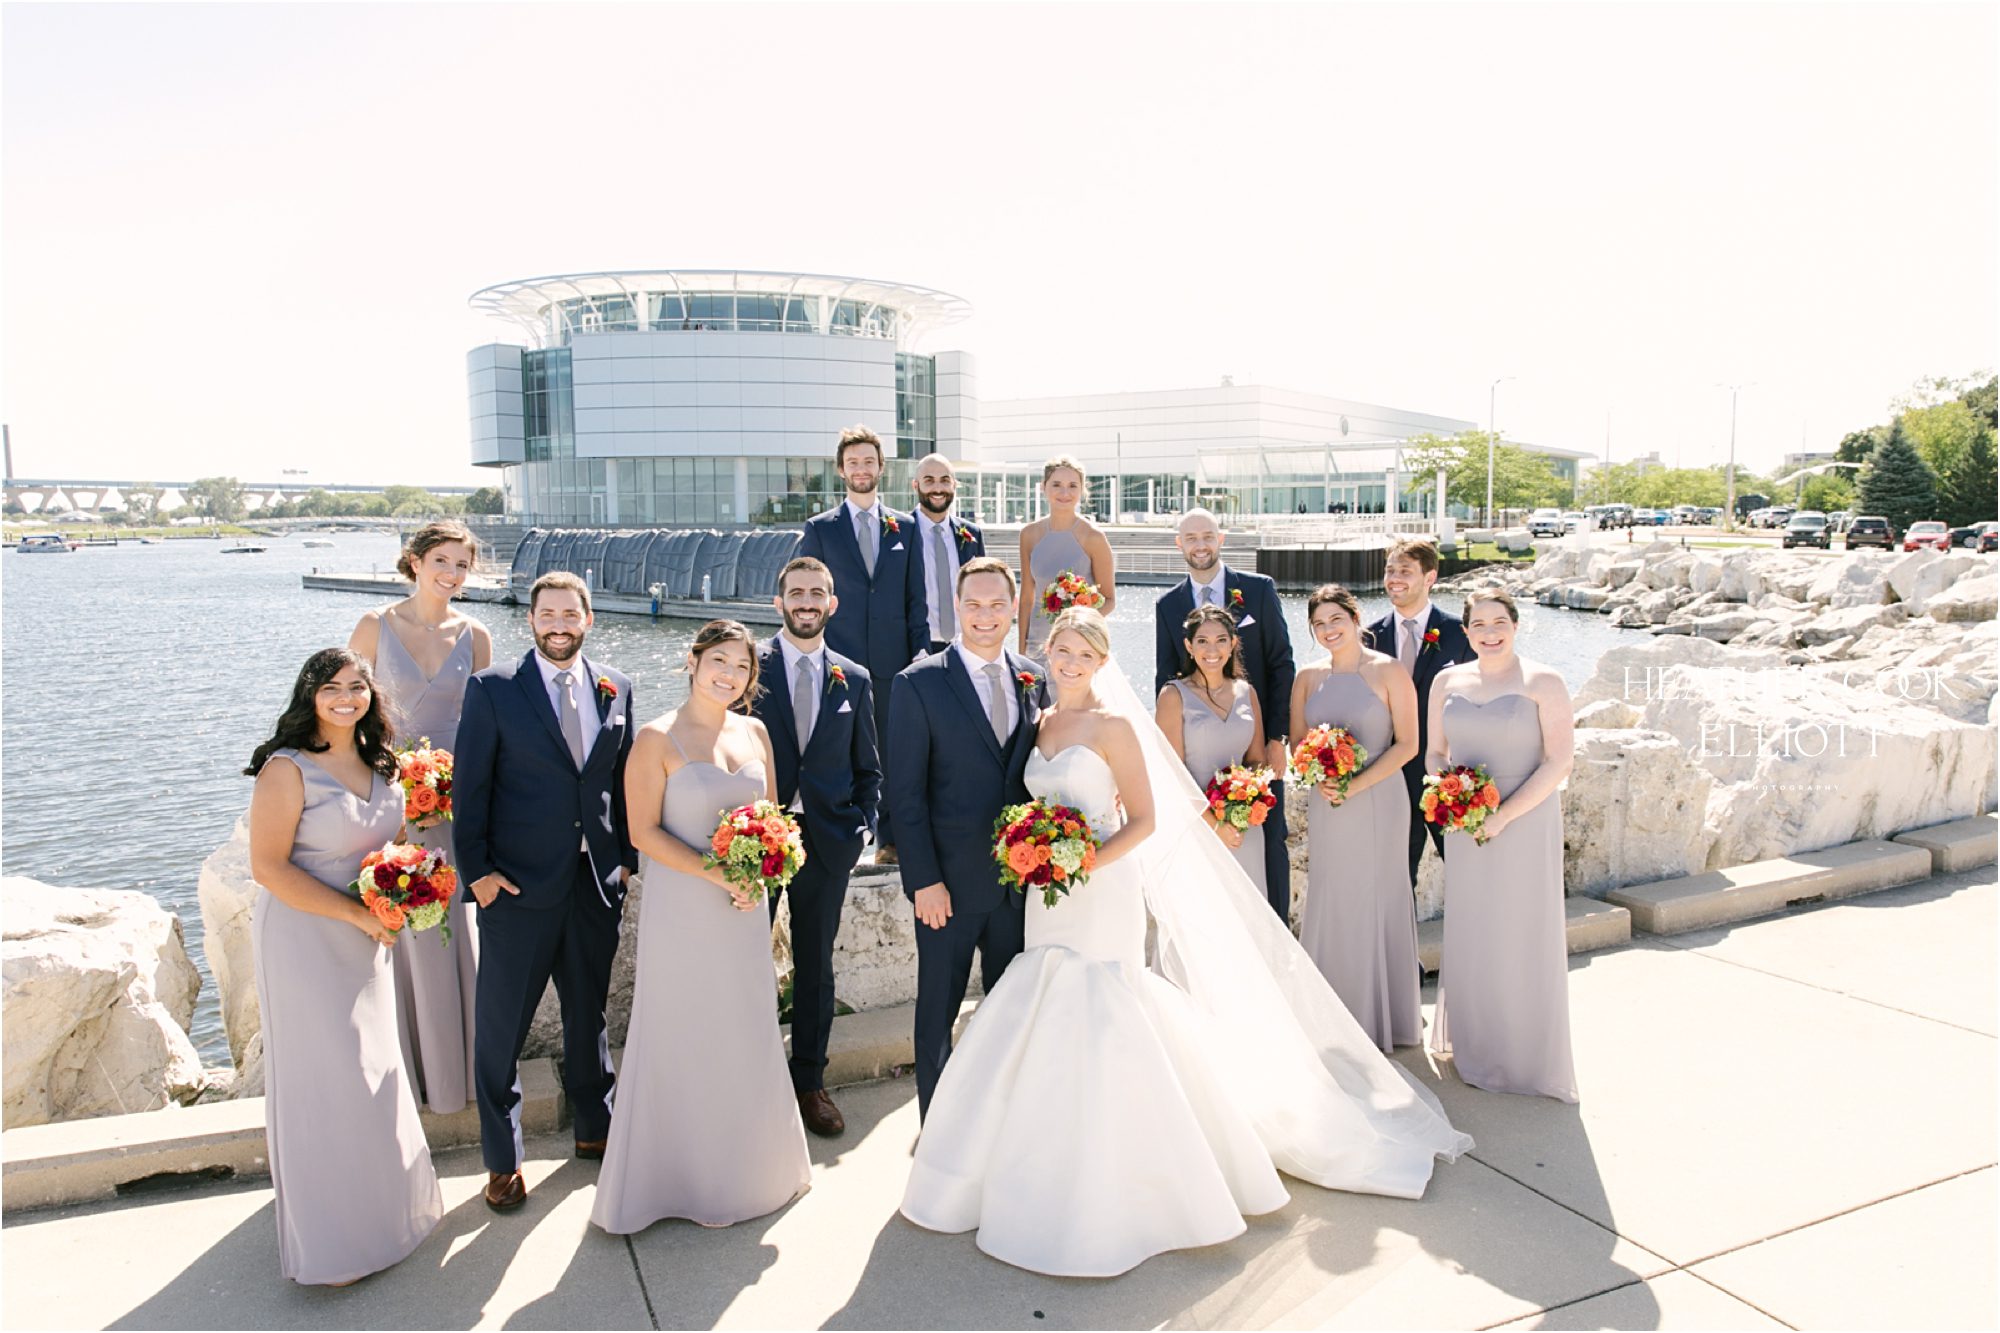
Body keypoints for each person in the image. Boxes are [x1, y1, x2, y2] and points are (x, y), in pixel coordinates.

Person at [900, 608, 1470, 1278]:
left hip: (1100, 886)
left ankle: (1130, 1174)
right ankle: (1031, 1159)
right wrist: (1040, 853)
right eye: (1062, 652)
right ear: (1047, 654)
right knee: (1042, 1005)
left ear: (1102, 661)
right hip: (1049, 897)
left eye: (1085, 654)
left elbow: (1143, 820)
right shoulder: (1041, 721)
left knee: (1104, 1007)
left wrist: (1084, 860)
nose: (1071, 664)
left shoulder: (1115, 727)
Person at [592, 621, 813, 1232]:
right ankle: (675, 1180)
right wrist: (719, 874)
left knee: (743, 1027)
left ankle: (751, 1172)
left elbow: (772, 818)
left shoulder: (756, 732)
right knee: (683, 1030)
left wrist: (765, 870)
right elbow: (642, 833)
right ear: (692, 662)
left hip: (743, 911)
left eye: (742, 667)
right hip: (685, 910)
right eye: (719, 661)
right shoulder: (654, 737)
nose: (729, 675)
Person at [244, 648, 442, 1285]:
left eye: (357, 686)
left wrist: (409, 886)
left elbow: (392, 845)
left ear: (371, 696)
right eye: (331, 687)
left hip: (366, 936)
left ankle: (384, 1219)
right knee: (327, 1079)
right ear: (310, 695)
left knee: (372, 1069)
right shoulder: (287, 770)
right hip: (305, 939)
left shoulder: (383, 763)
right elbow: (268, 868)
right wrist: (358, 916)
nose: (345, 698)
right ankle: (332, 1244)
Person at [454, 571, 637, 1212]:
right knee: (501, 1027)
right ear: (531, 620)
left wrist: (626, 861)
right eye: (548, 614)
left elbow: (622, 778)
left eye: (570, 614)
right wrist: (477, 874)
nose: (559, 625)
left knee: (589, 1015)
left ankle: (594, 1126)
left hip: (595, 883)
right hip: (516, 888)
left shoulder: (617, 685)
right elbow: (469, 789)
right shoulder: (493, 687)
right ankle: (503, 1160)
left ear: (588, 619)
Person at [887, 557, 1047, 1118]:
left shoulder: (1034, 676)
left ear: (1013, 607)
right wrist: (924, 881)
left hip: (1018, 886)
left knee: (1011, 1014)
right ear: (956, 606)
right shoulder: (917, 683)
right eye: (973, 604)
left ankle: (998, 1124)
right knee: (938, 1012)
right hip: (947, 889)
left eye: (997, 604)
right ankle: (937, 1129)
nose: (985, 615)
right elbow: (905, 796)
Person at [347, 520, 493, 1115]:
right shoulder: (374, 626)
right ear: (414, 562)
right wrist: (381, 786)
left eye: (462, 564)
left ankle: (460, 1073)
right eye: (441, 561)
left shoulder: (476, 635)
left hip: (457, 801)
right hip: (387, 798)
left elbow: (485, 725)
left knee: (452, 925)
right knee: (400, 921)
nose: (452, 574)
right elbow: (346, 713)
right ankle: (405, 1069)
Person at [1427, 589, 1578, 1102]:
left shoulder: (1544, 681)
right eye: (1479, 624)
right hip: (1466, 825)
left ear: (1515, 625)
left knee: (1520, 929)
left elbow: (1559, 762)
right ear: (1466, 631)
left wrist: (1504, 816)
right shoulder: (1447, 681)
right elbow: (1434, 754)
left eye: (1499, 623)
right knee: (1475, 929)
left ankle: (1524, 1056)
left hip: (1525, 821)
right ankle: (1477, 1044)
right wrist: (1453, 795)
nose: (1489, 633)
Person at [750, 557, 882, 1137]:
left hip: (826, 842)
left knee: (815, 968)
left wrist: (861, 830)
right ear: (779, 602)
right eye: (796, 592)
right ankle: (747, 1078)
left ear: (832, 603)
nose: (806, 601)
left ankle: (809, 1083)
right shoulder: (747, 664)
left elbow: (868, 769)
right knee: (742, 961)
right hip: (754, 840)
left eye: (817, 593)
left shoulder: (854, 677)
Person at [1289, 585, 1423, 1052]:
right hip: (1328, 801)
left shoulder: (1388, 670)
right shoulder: (1307, 677)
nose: (1328, 630)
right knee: (1332, 894)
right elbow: (1297, 743)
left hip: (1379, 800)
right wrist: (1318, 769)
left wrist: (1357, 783)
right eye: (1319, 624)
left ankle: (1382, 1018)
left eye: (1335, 619)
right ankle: (1330, 1014)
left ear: (1355, 617)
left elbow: (1409, 744)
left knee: (1376, 893)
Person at [1153, 507, 1296, 917]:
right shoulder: (1167, 605)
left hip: (1251, 740)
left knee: (1270, 842)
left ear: (1221, 539)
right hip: (1199, 748)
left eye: (1207, 536)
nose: (1200, 545)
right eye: (1191, 538)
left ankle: (1276, 935)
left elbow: (1282, 664)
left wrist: (1277, 738)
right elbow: (1166, 676)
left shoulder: (1259, 589)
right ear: (1179, 544)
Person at [796, 425, 927, 866]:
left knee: (891, 753)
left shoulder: (906, 527)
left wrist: (920, 653)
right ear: (841, 470)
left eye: (868, 461)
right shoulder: (820, 529)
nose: (861, 469)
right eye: (853, 462)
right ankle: (840, 836)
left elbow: (917, 597)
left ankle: (889, 840)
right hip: (839, 660)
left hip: (894, 662)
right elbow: (807, 595)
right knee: (837, 748)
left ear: (880, 467)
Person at [1362, 538, 1470, 884]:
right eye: (1390, 570)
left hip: (1447, 773)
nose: (1394, 578)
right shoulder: (1369, 638)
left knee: (1467, 868)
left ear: (1430, 577)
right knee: (1396, 877)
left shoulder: (1461, 633)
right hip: (1391, 776)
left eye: (1405, 571)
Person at [1154, 604, 1267, 896]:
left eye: (1221, 640)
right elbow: (1172, 774)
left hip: (1243, 827)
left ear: (1233, 644)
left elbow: (1257, 760)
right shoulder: (1173, 695)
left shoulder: (1247, 692)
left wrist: (1245, 803)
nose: (1212, 650)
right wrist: (1216, 825)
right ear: (1189, 646)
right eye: (1202, 641)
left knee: (1248, 909)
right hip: (1196, 827)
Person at [1017, 455, 1115, 657]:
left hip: (1077, 645)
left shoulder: (1094, 537)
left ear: (1082, 489)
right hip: (1036, 644)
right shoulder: (1028, 535)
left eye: (1072, 486)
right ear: (1043, 487)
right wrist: (1020, 653)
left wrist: (1077, 624)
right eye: (1056, 485)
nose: (1064, 493)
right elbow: (1026, 599)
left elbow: (1109, 600)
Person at [907, 452, 985, 655]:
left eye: (944, 480)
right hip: (917, 649)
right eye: (929, 481)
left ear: (954, 485)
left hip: (965, 646)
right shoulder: (901, 534)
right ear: (915, 485)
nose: (938, 488)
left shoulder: (972, 535)